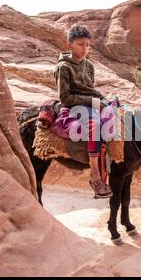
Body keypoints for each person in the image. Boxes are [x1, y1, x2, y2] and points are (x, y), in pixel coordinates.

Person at [54, 25, 113, 199]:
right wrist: (92, 102)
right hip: (75, 105)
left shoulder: (89, 65)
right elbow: (65, 97)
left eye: (88, 45)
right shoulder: (63, 67)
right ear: (69, 45)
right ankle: (94, 174)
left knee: (116, 117)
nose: (85, 49)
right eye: (80, 44)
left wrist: (104, 99)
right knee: (95, 125)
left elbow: (91, 89)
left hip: (91, 102)